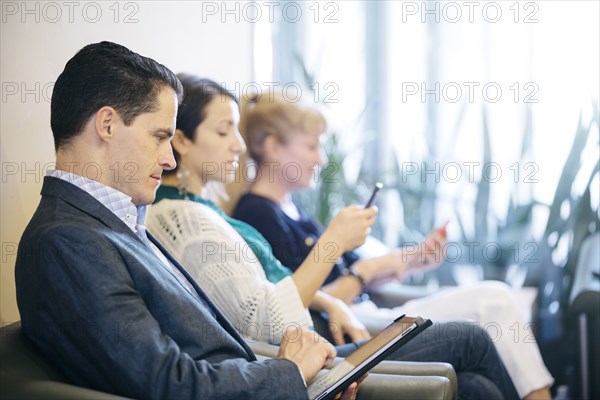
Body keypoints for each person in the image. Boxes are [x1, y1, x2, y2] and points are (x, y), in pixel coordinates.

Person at [14, 41, 364, 400]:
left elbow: (202, 354)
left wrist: (297, 374)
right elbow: (169, 384)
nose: (169, 159)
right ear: (106, 124)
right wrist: (289, 374)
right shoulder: (67, 241)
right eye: (160, 137)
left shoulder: (110, 222)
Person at [147, 75, 521, 399]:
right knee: (476, 331)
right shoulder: (191, 219)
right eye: (224, 130)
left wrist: (337, 294)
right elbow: (265, 318)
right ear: (181, 140)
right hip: (310, 347)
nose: (239, 145)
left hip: (326, 330)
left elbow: (272, 290)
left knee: (477, 387)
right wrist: (335, 248)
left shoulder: (201, 212)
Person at [232, 95, 554, 400]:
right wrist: (361, 270)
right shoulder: (256, 215)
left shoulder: (294, 208)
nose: (322, 158)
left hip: (370, 313)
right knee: (495, 300)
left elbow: (354, 271)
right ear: (273, 146)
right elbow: (297, 305)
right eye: (312, 146)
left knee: (477, 384)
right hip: (353, 331)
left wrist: (414, 259)